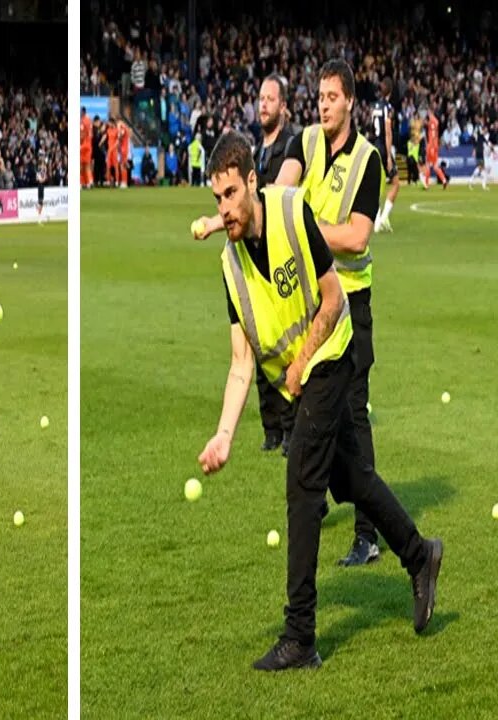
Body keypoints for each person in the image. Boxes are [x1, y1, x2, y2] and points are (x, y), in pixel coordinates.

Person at [197, 130, 442, 670]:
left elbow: (332, 299)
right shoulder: (229, 264)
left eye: (231, 194)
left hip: (330, 351)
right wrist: (223, 434)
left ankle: (300, 634)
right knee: (350, 479)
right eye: (217, 199)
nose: (225, 210)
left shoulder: (290, 212)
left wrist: (304, 361)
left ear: (252, 184)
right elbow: (241, 363)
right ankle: (420, 554)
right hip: (297, 376)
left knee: (303, 482)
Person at [195, 59, 390, 568]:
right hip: (307, 305)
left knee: (353, 414)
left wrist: (302, 225)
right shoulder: (303, 143)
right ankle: (403, 542)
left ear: (349, 101)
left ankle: (368, 534)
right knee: (326, 431)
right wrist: (226, 221)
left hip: (348, 302)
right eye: (319, 97)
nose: (323, 105)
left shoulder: (368, 159)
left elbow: (357, 237)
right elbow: (272, 196)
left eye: (332, 97)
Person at [251, 73, 300, 455]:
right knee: (259, 345)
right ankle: (271, 428)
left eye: (270, 99)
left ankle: (290, 427)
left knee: (285, 346)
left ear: (283, 105)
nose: (263, 104)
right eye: (260, 98)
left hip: (283, 259)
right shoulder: (257, 151)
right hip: (255, 261)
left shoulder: (293, 145)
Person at [371, 79, 401, 231]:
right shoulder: (388, 108)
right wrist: (389, 156)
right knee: (396, 183)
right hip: (383, 147)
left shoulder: (375, 106)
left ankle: (377, 222)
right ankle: (383, 218)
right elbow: (388, 132)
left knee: (376, 186)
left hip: (374, 145)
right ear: (390, 91)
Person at [421, 105, 447, 188]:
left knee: (428, 164)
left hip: (431, 145)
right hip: (436, 145)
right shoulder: (436, 121)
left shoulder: (432, 121)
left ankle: (426, 184)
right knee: (435, 166)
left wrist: (423, 122)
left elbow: (430, 130)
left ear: (430, 112)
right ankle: (444, 180)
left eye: (428, 112)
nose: (427, 114)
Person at [469, 117, 489, 191]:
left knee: (481, 168)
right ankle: (471, 181)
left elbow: (480, 137)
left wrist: (487, 143)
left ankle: (482, 185)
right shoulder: (478, 127)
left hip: (479, 149)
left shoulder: (477, 128)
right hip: (479, 149)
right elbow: (481, 135)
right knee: (481, 167)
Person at [80, 107, 93, 190]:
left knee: (80, 165)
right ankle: (89, 182)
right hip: (89, 145)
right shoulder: (89, 120)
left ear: (83, 112)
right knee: (87, 165)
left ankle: (80, 183)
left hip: (83, 145)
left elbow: (82, 134)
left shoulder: (83, 121)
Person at [117, 119, 131, 188]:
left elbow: (120, 136)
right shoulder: (124, 127)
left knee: (123, 166)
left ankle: (124, 182)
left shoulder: (123, 127)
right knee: (123, 165)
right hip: (124, 148)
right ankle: (124, 181)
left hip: (124, 149)